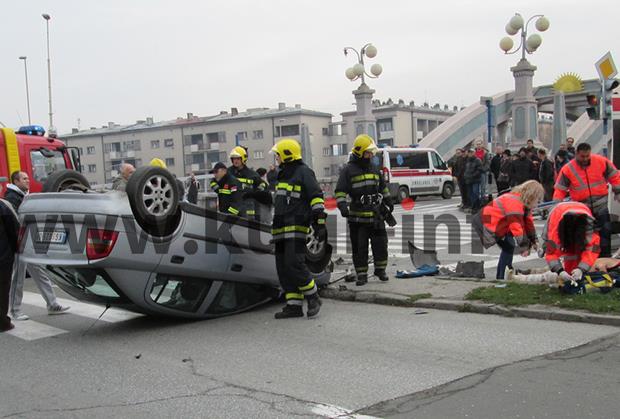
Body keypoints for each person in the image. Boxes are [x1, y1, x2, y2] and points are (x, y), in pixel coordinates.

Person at [270, 138, 325, 318]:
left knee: (294, 263)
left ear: (287, 155)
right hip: (280, 228)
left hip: (296, 226)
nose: (276, 158)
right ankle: (293, 305)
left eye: (278, 155)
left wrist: (319, 222)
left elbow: (316, 196)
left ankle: (313, 297)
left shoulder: (304, 172)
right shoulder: (283, 174)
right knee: (283, 268)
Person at [6, 171, 70, 320]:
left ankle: (53, 304)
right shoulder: (12, 198)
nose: (28, 180)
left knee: (40, 272)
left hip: (28, 241)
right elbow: (17, 221)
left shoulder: (23, 196)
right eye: (24, 179)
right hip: (19, 243)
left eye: (28, 178)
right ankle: (15, 311)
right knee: (18, 278)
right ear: (16, 181)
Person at [335, 134, 392, 286]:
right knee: (359, 248)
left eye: (371, 153)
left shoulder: (374, 168)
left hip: (376, 215)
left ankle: (380, 270)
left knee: (381, 245)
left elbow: (382, 187)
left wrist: (388, 200)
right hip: (357, 218)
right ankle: (362, 275)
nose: (371, 155)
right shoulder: (348, 170)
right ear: (360, 153)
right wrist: (342, 206)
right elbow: (340, 191)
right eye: (368, 153)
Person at [554, 142, 620, 257]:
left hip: (601, 205)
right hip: (582, 209)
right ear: (576, 154)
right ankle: (588, 260)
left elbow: (614, 176)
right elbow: (560, 190)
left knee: (605, 233)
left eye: (587, 156)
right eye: (582, 156)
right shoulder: (568, 169)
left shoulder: (601, 161)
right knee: (585, 237)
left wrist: (618, 191)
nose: (585, 159)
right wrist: (557, 206)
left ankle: (605, 258)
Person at [474, 180, 543, 279]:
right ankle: (502, 277)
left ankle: (507, 272)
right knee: (508, 247)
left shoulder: (522, 202)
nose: (537, 203)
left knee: (509, 246)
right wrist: (524, 247)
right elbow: (516, 227)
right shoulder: (515, 202)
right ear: (532, 196)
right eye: (537, 200)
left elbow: (529, 224)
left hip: (498, 224)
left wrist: (534, 241)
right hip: (487, 224)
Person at [542, 201, 600, 283]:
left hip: (578, 213)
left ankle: (573, 276)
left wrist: (581, 269)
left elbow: (593, 250)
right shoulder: (556, 229)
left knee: (577, 251)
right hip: (557, 212)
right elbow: (551, 253)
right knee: (567, 251)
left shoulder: (589, 228)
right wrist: (560, 271)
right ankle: (570, 276)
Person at [228, 146, 268, 220]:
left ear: (243, 159)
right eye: (234, 159)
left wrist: (259, 190)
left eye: (238, 158)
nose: (235, 161)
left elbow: (263, 184)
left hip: (249, 211)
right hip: (232, 210)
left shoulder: (252, 174)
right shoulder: (228, 173)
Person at [0, 186, 19, 332]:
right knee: (2, 289)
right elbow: (14, 230)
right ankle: (2, 323)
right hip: (2, 256)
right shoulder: (3, 206)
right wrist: (16, 250)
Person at [463, 148, 483, 212]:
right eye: (469, 153)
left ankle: (477, 207)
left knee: (475, 193)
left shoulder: (478, 160)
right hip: (468, 180)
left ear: (474, 153)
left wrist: (473, 175)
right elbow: (466, 169)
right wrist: (465, 175)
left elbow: (479, 170)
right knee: (470, 194)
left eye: (471, 152)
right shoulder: (468, 161)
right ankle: (473, 206)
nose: (470, 154)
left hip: (475, 180)